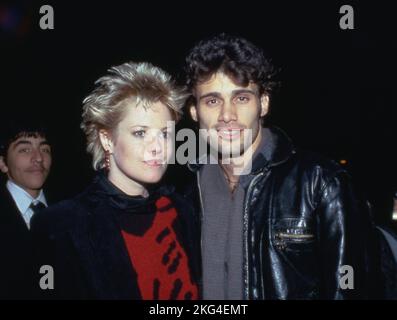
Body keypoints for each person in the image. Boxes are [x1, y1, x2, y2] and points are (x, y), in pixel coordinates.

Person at [182, 33, 378, 299]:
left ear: (263, 104)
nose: (227, 115)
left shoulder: (322, 184)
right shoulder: (188, 196)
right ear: (195, 111)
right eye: (212, 101)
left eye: (241, 98)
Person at [31, 62, 200, 300]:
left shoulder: (182, 211)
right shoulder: (63, 226)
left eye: (165, 133)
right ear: (107, 139)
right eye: (140, 133)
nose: (158, 147)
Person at [0, 117, 52, 299]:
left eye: (44, 149)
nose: (38, 158)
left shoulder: (72, 210)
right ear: (3, 163)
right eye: (25, 149)